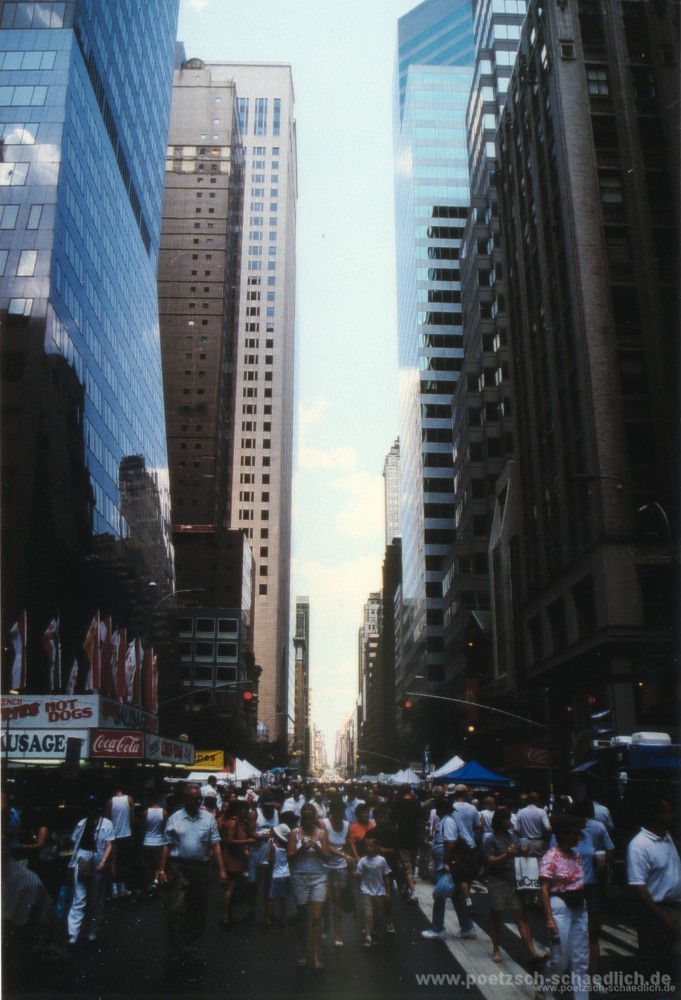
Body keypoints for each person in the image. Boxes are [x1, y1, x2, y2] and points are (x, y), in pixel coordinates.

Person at [157, 782, 228, 977]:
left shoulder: (208, 818)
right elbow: (166, 844)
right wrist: (161, 869)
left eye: (199, 799)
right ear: (185, 799)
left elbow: (215, 845)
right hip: (179, 868)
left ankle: (191, 948)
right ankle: (174, 949)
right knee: (175, 910)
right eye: (194, 799)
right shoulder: (174, 818)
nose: (198, 802)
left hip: (200, 870)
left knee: (198, 911)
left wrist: (222, 870)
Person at [627, 794, 681, 983]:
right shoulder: (639, 845)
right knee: (654, 963)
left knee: (670, 961)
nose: (672, 816)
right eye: (667, 812)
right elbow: (638, 885)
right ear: (656, 815)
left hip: (674, 906)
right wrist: (661, 915)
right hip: (655, 910)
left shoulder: (668, 838)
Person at [484, 808, 547, 965]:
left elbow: (521, 856)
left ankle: (532, 951)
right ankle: (496, 949)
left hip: (514, 880)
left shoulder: (514, 837)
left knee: (519, 914)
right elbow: (490, 861)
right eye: (506, 819)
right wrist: (506, 854)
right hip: (498, 880)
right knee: (496, 914)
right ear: (499, 822)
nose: (509, 822)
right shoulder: (491, 839)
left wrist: (524, 852)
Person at [539, 814, 589, 1000]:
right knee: (560, 960)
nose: (579, 837)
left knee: (581, 959)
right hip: (559, 906)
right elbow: (544, 889)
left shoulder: (577, 856)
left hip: (579, 906)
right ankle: (546, 990)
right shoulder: (551, 857)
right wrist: (549, 918)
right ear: (564, 835)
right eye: (575, 834)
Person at [421, 795, 476, 941]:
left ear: (441, 808)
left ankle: (437, 928)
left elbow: (450, 843)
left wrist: (446, 862)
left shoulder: (448, 821)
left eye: (437, 807)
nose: (435, 809)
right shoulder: (446, 820)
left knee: (440, 895)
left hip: (446, 865)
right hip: (445, 863)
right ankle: (467, 927)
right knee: (456, 896)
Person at [66, 794, 115, 945]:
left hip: (98, 858)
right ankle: (73, 933)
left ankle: (93, 930)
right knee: (79, 897)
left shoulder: (106, 824)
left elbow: (109, 845)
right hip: (82, 858)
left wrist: (104, 861)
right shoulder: (82, 823)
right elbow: (75, 844)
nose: (90, 810)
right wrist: (72, 863)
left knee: (96, 897)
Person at [287, 802, 329, 970]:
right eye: (305, 818)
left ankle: (316, 954)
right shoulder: (295, 833)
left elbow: (326, 857)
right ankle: (304, 950)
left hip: (318, 877)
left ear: (315, 818)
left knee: (316, 916)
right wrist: (301, 849)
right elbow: (289, 856)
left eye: (311, 818)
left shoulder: (322, 833)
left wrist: (316, 846)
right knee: (302, 916)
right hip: (300, 877)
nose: (308, 821)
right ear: (301, 818)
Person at [322, 797, 355, 945]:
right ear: (332, 812)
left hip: (340, 867)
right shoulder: (324, 824)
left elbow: (347, 845)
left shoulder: (347, 825)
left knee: (337, 901)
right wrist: (343, 856)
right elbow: (326, 845)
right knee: (325, 899)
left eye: (342, 812)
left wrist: (351, 865)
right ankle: (326, 924)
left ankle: (337, 934)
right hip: (326, 865)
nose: (341, 815)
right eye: (338, 812)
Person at [218, 798, 255, 926]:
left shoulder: (241, 822)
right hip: (231, 859)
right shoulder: (233, 823)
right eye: (245, 810)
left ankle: (229, 914)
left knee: (233, 887)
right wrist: (247, 842)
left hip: (238, 858)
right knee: (230, 887)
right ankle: (225, 916)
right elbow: (229, 841)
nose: (246, 812)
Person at [355, 834, 391, 948]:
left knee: (378, 914)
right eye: (366, 846)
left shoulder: (381, 860)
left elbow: (386, 876)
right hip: (366, 890)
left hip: (379, 891)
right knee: (367, 913)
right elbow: (358, 874)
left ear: (376, 847)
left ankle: (375, 933)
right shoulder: (363, 861)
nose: (368, 848)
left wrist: (388, 892)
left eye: (370, 846)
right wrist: (351, 870)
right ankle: (368, 936)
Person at [391, 783, 423, 903]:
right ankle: (408, 887)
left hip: (402, 838)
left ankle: (412, 892)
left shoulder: (397, 804)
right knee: (411, 864)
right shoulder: (416, 803)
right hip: (415, 838)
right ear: (410, 791)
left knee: (406, 866)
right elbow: (421, 820)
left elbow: (393, 820)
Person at [105, 785, 135, 898]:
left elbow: (107, 820)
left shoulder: (110, 802)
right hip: (126, 835)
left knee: (113, 862)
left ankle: (114, 888)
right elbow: (132, 818)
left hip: (113, 836)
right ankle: (123, 887)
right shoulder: (130, 800)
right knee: (124, 862)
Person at [265, 823, 292, 927]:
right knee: (283, 898)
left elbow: (270, 860)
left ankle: (268, 918)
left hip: (275, 875)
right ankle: (282, 918)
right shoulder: (288, 847)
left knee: (271, 897)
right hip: (286, 874)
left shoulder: (274, 847)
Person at [141, 792, 167, 893]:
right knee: (158, 863)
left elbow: (144, 826)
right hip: (159, 841)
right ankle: (156, 881)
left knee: (149, 864)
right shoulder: (164, 813)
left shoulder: (146, 813)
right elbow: (164, 828)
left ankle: (150, 882)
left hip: (147, 841)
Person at [515, 791, 551, 856]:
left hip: (524, 841)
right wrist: (547, 841)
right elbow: (548, 829)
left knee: (525, 859)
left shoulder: (520, 812)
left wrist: (522, 839)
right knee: (539, 860)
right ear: (538, 800)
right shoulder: (542, 812)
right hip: (538, 842)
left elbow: (516, 830)